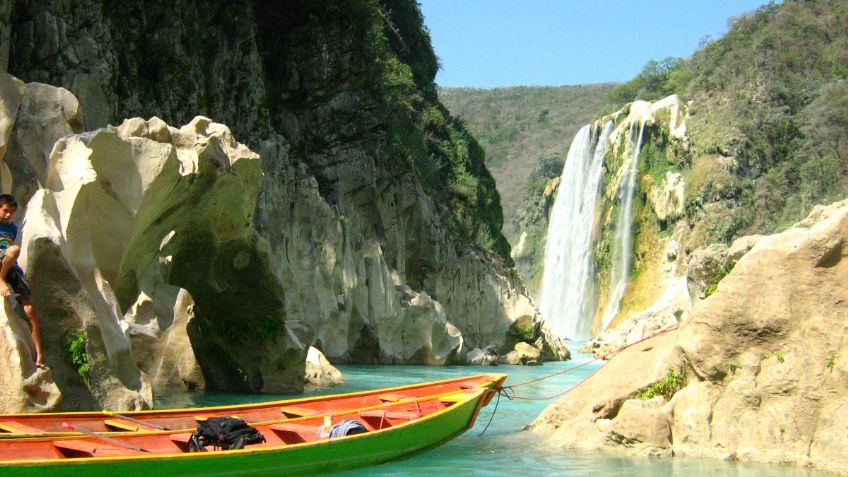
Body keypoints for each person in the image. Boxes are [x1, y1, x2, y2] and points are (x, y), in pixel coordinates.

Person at [0, 194, 45, 369]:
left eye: (11, 212)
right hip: (4, 262)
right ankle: (1, 280)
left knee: (30, 309)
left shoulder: (12, 229)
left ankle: (39, 354)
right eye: (5, 211)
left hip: (9, 265)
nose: (8, 215)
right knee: (14, 250)